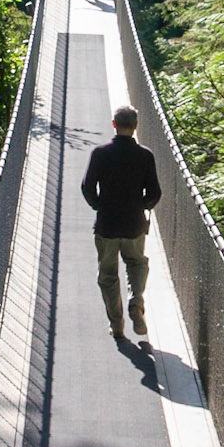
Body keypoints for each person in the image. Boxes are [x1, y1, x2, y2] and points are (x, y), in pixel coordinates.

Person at [81, 105, 162, 339]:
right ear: (136, 126)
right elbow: (155, 192)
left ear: (114, 124)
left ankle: (117, 324)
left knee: (107, 275)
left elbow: (87, 187)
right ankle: (136, 300)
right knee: (137, 264)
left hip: (106, 223)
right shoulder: (145, 155)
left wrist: (98, 205)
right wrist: (142, 206)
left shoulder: (100, 153)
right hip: (134, 223)